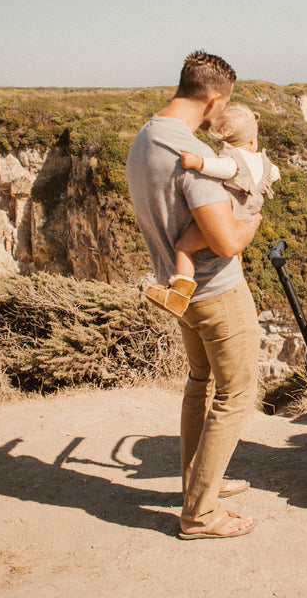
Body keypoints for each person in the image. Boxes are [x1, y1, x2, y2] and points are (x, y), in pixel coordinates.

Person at [125, 51, 260, 540]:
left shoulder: (145, 139)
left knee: (201, 381)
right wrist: (253, 224)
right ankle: (200, 514)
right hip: (217, 291)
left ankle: (200, 484)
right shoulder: (190, 157)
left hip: (179, 288)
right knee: (237, 393)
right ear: (215, 99)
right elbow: (225, 241)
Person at [144, 102, 281, 317]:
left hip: (227, 218)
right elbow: (274, 172)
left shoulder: (232, 160)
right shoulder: (264, 162)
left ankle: (178, 296)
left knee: (184, 246)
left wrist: (198, 162)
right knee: (235, 254)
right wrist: (275, 175)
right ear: (253, 141)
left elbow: (224, 169)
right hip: (246, 217)